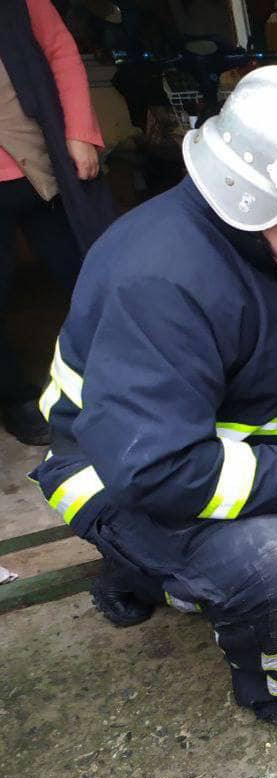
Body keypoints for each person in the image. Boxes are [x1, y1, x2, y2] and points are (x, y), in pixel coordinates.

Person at [30, 65, 277, 731]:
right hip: (117, 473)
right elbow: (158, 467)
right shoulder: (163, 281)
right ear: (253, 195)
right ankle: (263, 683)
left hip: (202, 453)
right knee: (276, 566)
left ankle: (169, 571)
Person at [0, 0, 115, 445]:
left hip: (42, 164)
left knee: (90, 272)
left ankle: (115, 382)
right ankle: (16, 398)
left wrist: (80, 132)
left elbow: (60, 51)